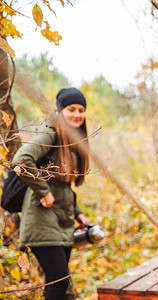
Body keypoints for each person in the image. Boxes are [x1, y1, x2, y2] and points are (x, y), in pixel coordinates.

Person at [12, 87, 91, 299]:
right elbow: (21, 159)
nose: (77, 115)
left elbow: (63, 187)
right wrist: (43, 191)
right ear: (60, 111)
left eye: (81, 110)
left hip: (61, 222)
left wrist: (78, 213)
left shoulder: (71, 140)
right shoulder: (50, 132)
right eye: (71, 109)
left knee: (56, 284)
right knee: (59, 280)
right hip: (41, 219)